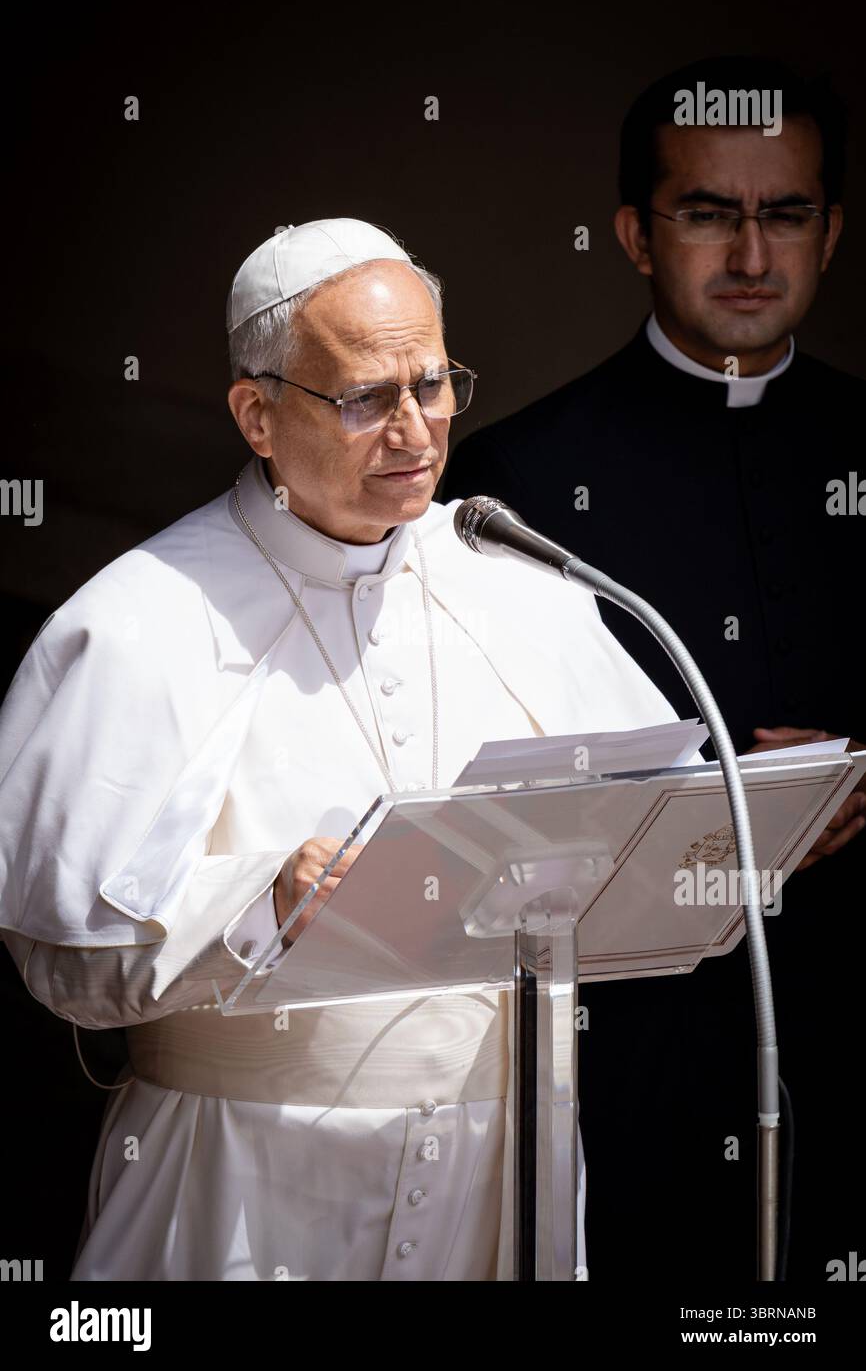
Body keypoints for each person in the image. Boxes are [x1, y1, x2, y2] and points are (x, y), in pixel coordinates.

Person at [0, 218, 689, 1282]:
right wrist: (262, 899)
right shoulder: (136, 622)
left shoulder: (517, 583)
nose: (413, 431)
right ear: (257, 414)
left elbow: (657, 829)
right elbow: (61, 956)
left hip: (501, 1168)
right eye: (366, 397)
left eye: (433, 383)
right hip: (244, 1176)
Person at [442, 58, 865, 1280]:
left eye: (782, 213)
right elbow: (467, 786)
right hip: (638, 1045)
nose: (747, 252)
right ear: (634, 233)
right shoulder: (513, 482)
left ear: (828, 233)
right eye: (704, 211)